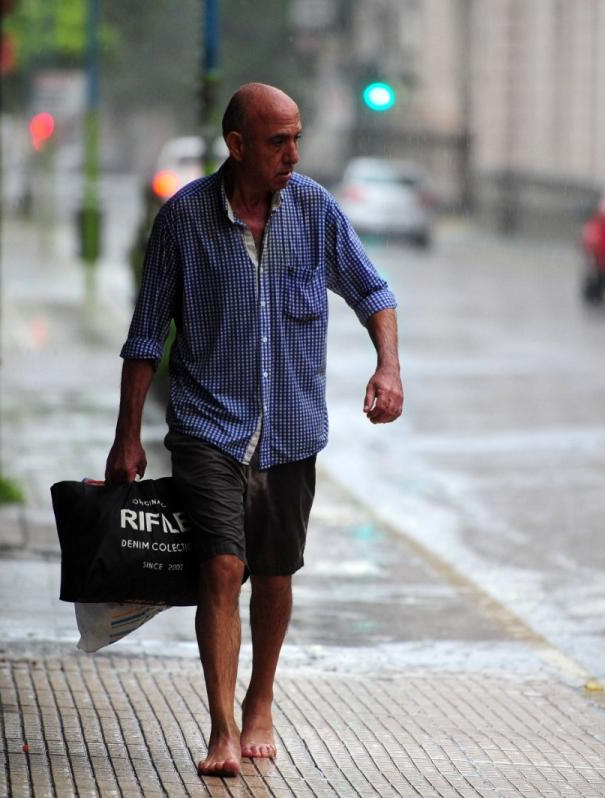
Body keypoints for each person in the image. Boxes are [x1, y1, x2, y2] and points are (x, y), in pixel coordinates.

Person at [105, 83, 403, 777]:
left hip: (292, 430)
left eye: (297, 138)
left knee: (273, 573)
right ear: (236, 146)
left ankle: (259, 701)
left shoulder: (315, 212)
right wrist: (126, 438)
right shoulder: (182, 220)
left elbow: (374, 292)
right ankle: (219, 729)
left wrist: (388, 368)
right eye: (278, 142)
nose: (293, 154)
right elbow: (146, 335)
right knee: (222, 566)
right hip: (210, 429)